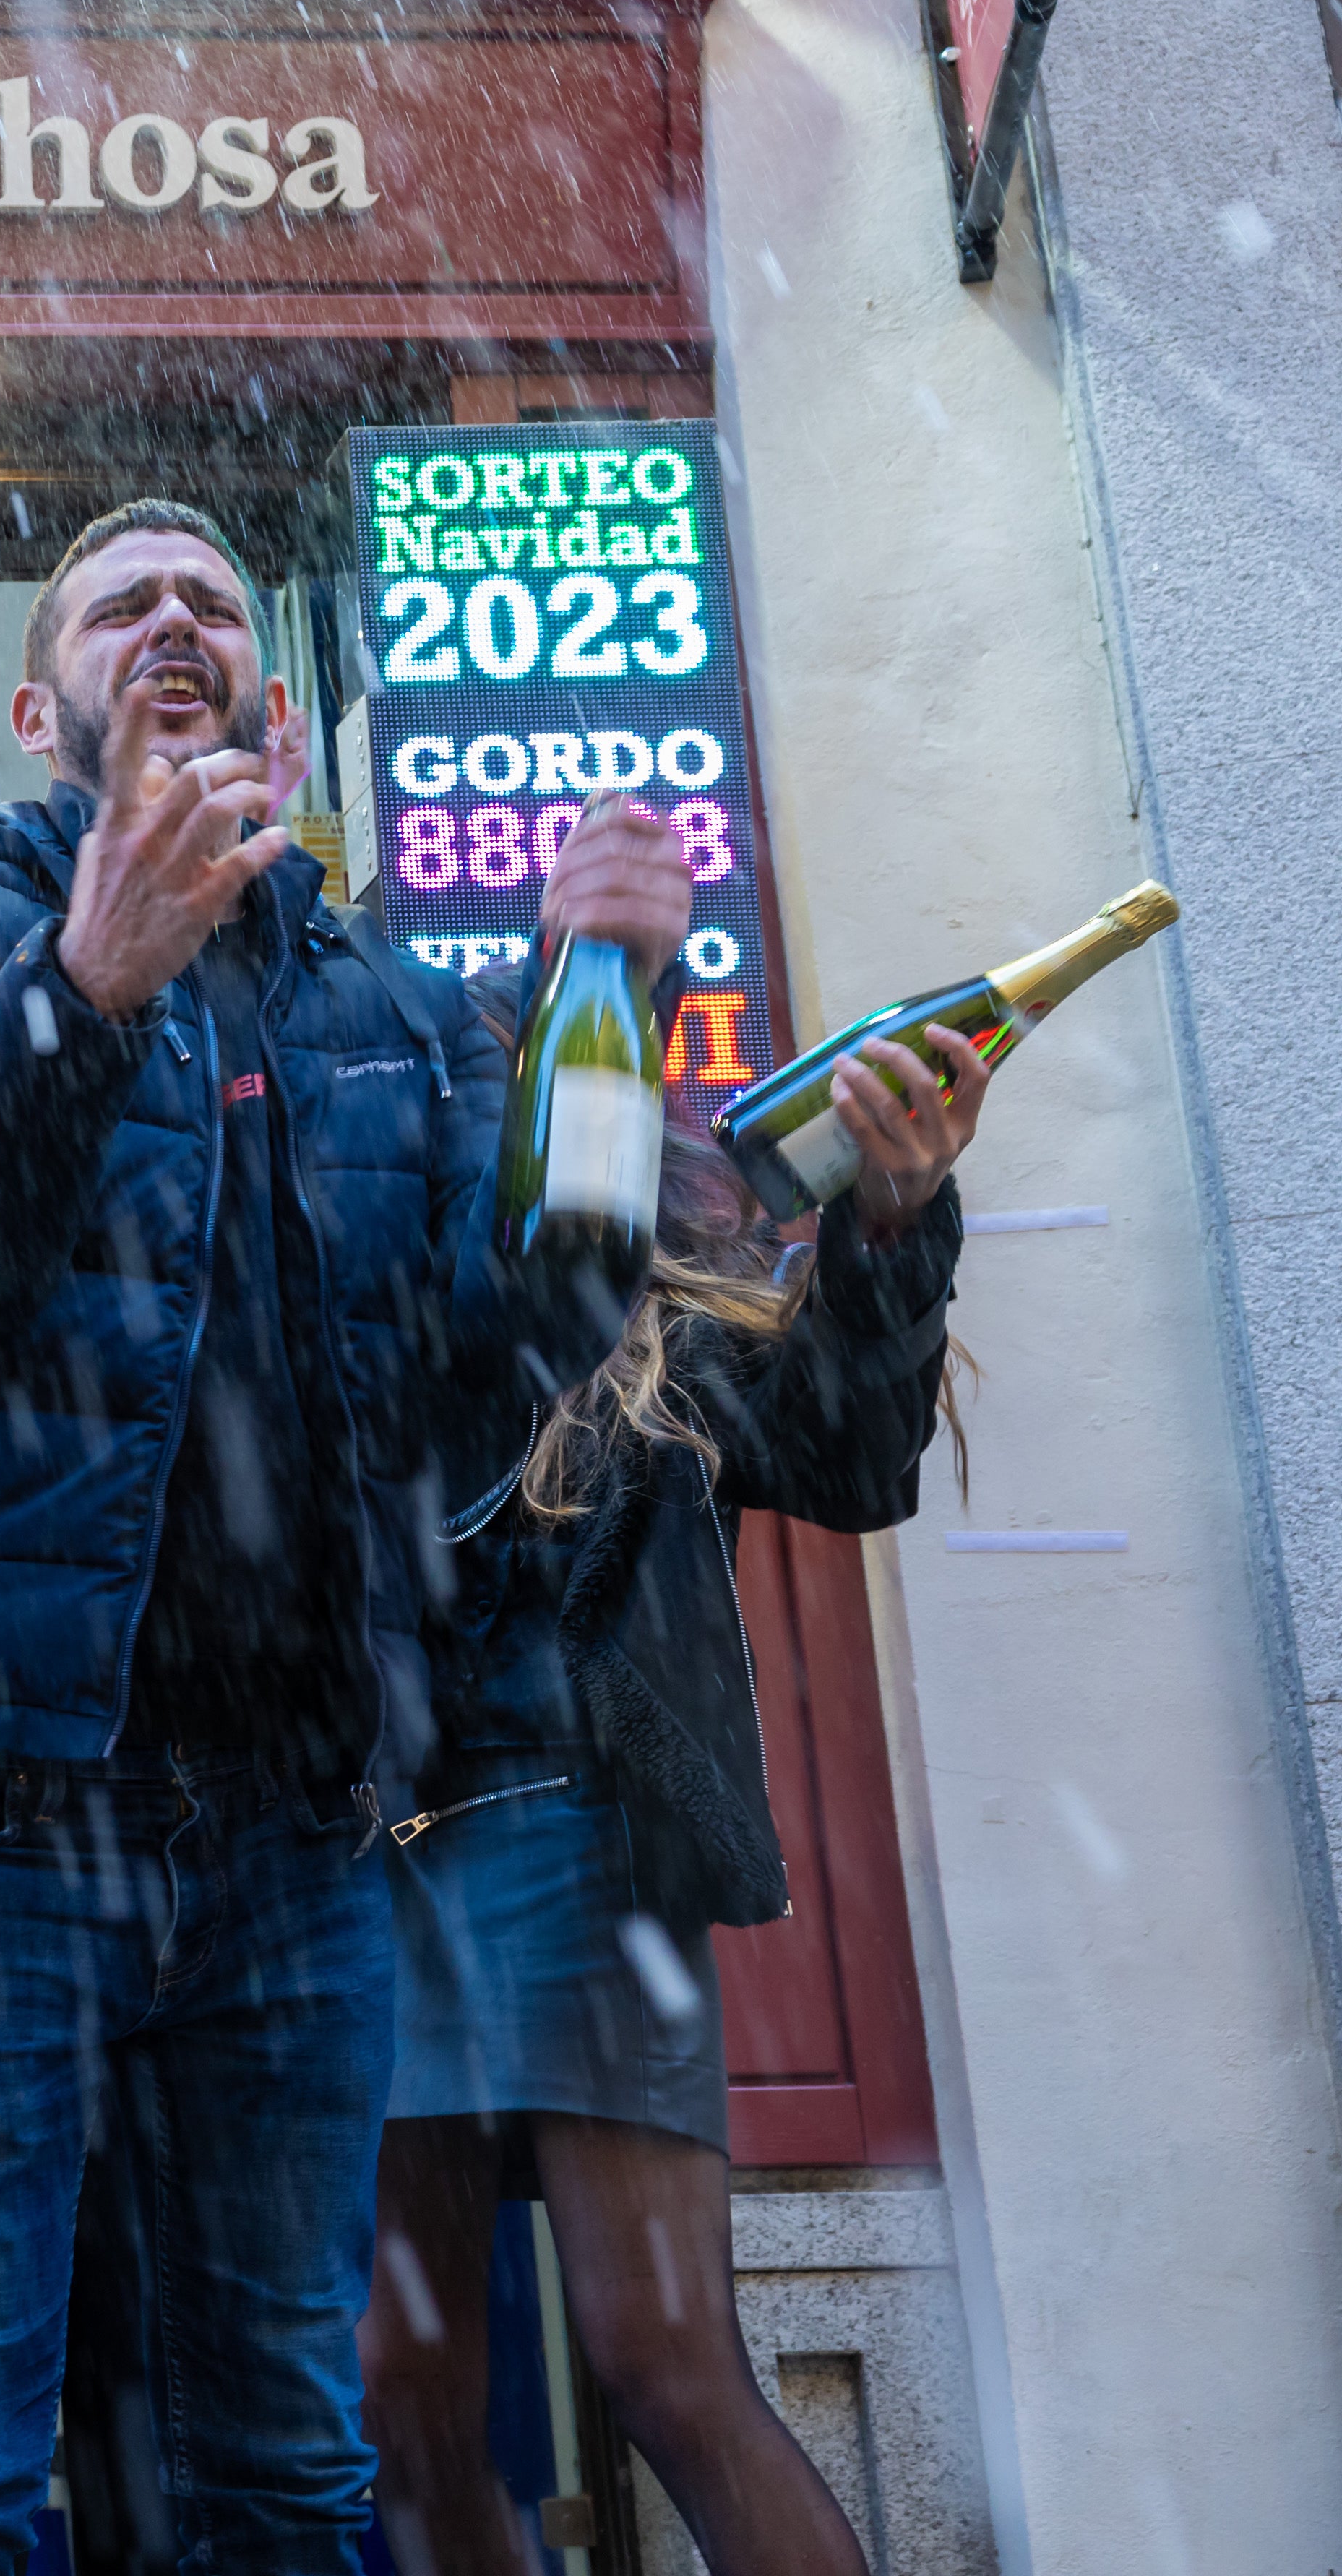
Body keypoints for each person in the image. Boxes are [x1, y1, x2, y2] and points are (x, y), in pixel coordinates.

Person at [0, 497, 687, 2571]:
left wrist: (598, 1008)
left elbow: (546, 1323)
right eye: (125, 605)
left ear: (275, 708)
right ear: (42, 707)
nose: (178, 622)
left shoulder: (382, 996)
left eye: (214, 601)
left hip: (296, 1839)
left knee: (289, 2450)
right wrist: (84, 989)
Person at [361, 984, 980, 2576]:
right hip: (368, 1859)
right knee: (398, 2393)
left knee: (661, 2357)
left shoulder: (656, 1286)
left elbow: (851, 1459)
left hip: (582, 1845)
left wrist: (893, 1223)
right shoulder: (357, 1272)